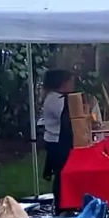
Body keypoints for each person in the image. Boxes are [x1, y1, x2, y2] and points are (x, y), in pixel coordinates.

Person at [39, 69, 75, 203]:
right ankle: (61, 204)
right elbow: (67, 117)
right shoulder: (54, 99)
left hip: (63, 141)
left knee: (64, 174)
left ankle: (67, 201)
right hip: (57, 142)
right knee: (61, 174)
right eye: (70, 82)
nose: (72, 85)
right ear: (63, 83)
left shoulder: (60, 98)